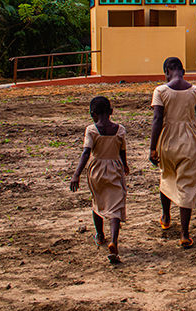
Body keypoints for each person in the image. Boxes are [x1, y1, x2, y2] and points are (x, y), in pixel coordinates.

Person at [149, 57, 196, 248]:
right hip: (189, 142)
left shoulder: (161, 91)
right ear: (183, 70)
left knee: (167, 177)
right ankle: (184, 233)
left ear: (166, 71)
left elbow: (157, 119)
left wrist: (153, 147)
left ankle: (166, 216)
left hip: (167, 141)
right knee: (187, 186)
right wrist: (190, 131)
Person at [70, 96, 128, 264]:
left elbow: (86, 153)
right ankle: (114, 241)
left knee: (97, 201)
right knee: (116, 206)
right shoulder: (120, 129)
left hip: (96, 169)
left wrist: (77, 174)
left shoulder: (91, 130)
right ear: (111, 112)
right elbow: (122, 150)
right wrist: (125, 165)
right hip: (115, 168)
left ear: (93, 114)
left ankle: (100, 235)